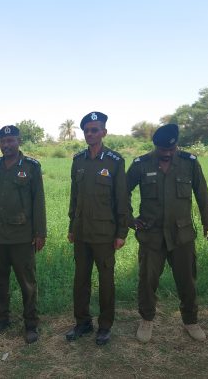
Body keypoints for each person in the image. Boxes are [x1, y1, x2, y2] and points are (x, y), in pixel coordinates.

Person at [126, 123, 208, 343]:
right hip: (151, 235)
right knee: (147, 281)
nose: (166, 154)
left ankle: (191, 321)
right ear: (155, 146)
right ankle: (146, 320)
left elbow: (201, 192)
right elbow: (122, 191)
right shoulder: (141, 164)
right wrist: (129, 219)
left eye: (171, 150)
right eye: (162, 150)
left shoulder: (190, 163)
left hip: (182, 235)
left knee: (187, 280)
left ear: (176, 146)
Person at [0, 125, 47, 344]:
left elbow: (39, 201)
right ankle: (1, 320)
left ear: (19, 141)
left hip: (22, 237)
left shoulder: (31, 167)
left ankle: (31, 324)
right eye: (3, 142)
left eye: (11, 141)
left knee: (27, 283)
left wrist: (40, 233)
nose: (6, 145)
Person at [66, 111, 129, 346]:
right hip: (81, 232)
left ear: (104, 132)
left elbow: (121, 198)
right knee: (80, 280)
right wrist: (72, 226)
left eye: (95, 129)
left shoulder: (114, 160)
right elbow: (75, 197)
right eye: (87, 130)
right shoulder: (78, 160)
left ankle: (104, 326)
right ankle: (82, 322)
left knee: (106, 282)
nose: (90, 133)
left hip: (104, 233)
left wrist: (121, 232)